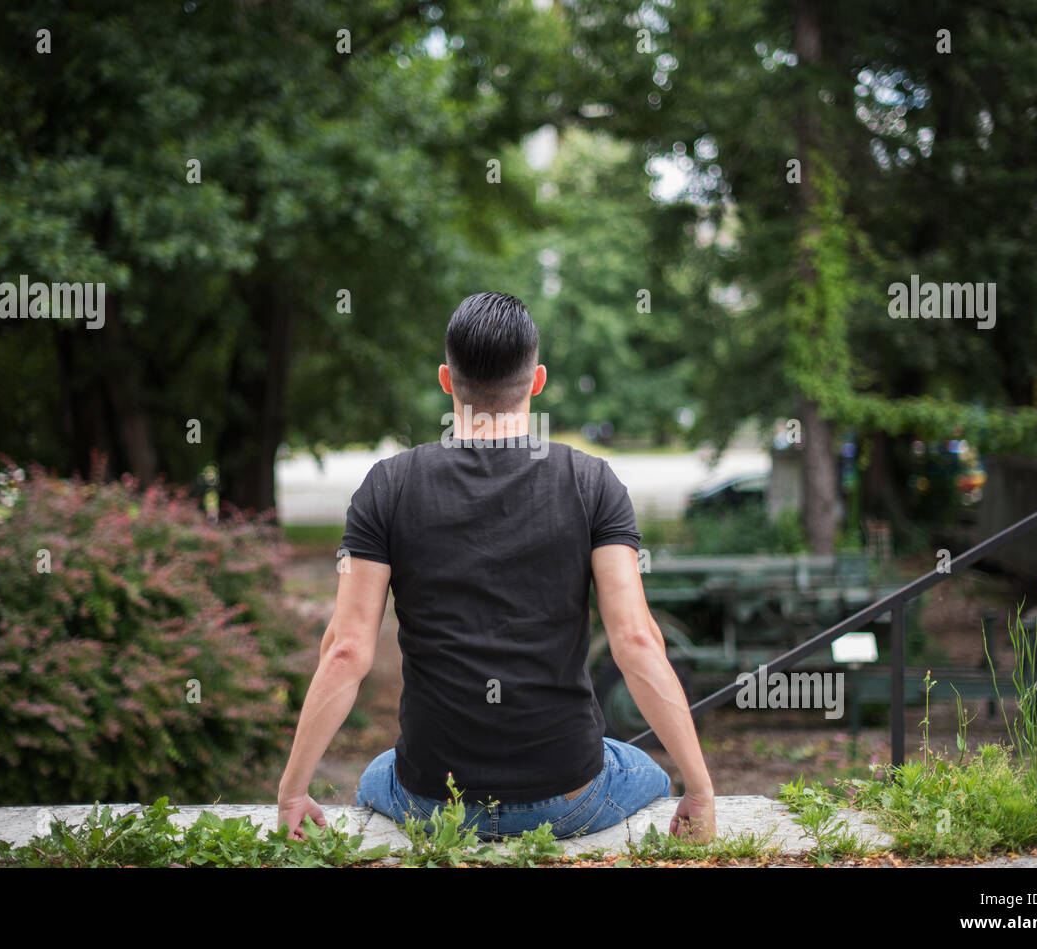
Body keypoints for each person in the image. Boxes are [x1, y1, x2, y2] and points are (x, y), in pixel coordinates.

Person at [276, 292, 716, 842]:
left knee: (375, 773)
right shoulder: (592, 483)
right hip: (569, 798)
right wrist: (699, 789)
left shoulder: (386, 487)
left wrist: (292, 792)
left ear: (446, 379)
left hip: (431, 801)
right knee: (641, 766)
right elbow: (637, 641)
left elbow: (345, 650)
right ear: (537, 380)